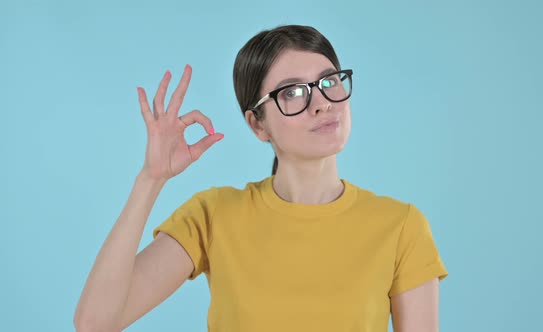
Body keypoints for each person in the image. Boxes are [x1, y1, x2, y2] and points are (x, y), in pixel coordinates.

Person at [74, 24, 448, 332]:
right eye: (293, 92)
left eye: (329, 81)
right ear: (257, 124)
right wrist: (150, 179)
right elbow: (96, 323)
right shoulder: (214, 214)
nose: (321, 102)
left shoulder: (401, 226)